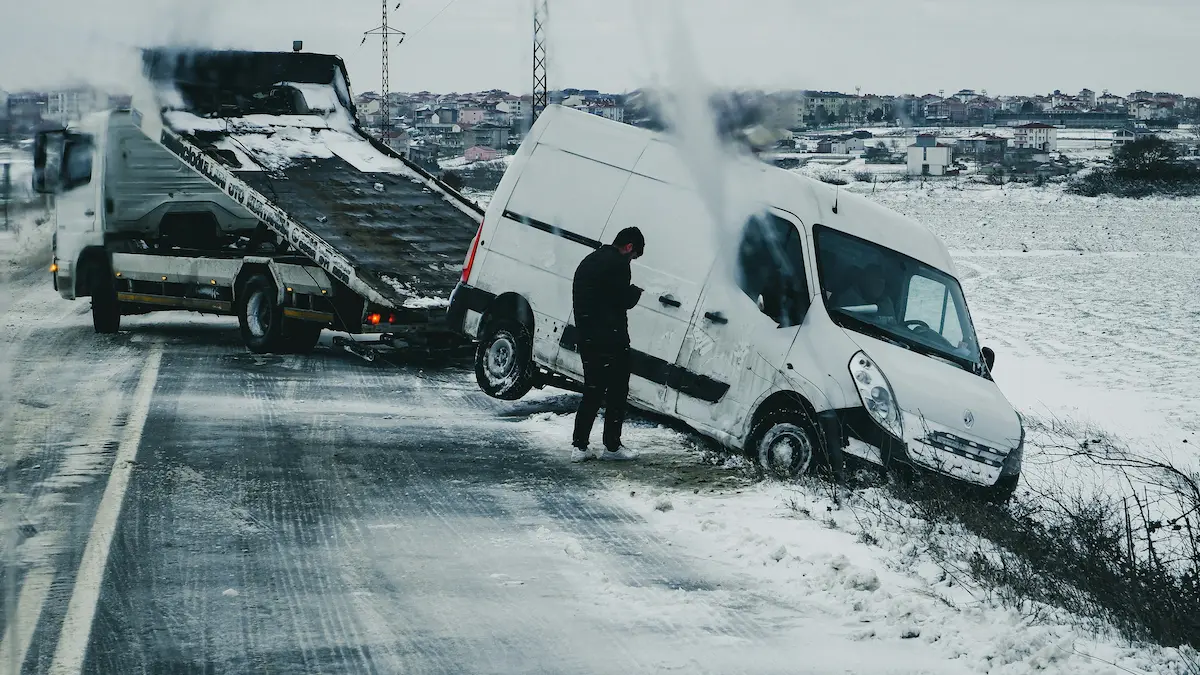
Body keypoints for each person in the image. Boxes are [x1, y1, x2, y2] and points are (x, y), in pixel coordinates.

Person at [570, 227, 645, 462]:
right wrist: (635, 293)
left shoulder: (589, 260)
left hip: (587, 337)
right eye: (634, 256)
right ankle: (612, 447)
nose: (632, 260)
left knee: (592, 391)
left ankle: (579, 447)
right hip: (612, 339)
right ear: (629, 247)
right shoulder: (619, 265)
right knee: (617, 393)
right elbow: (621, 299)